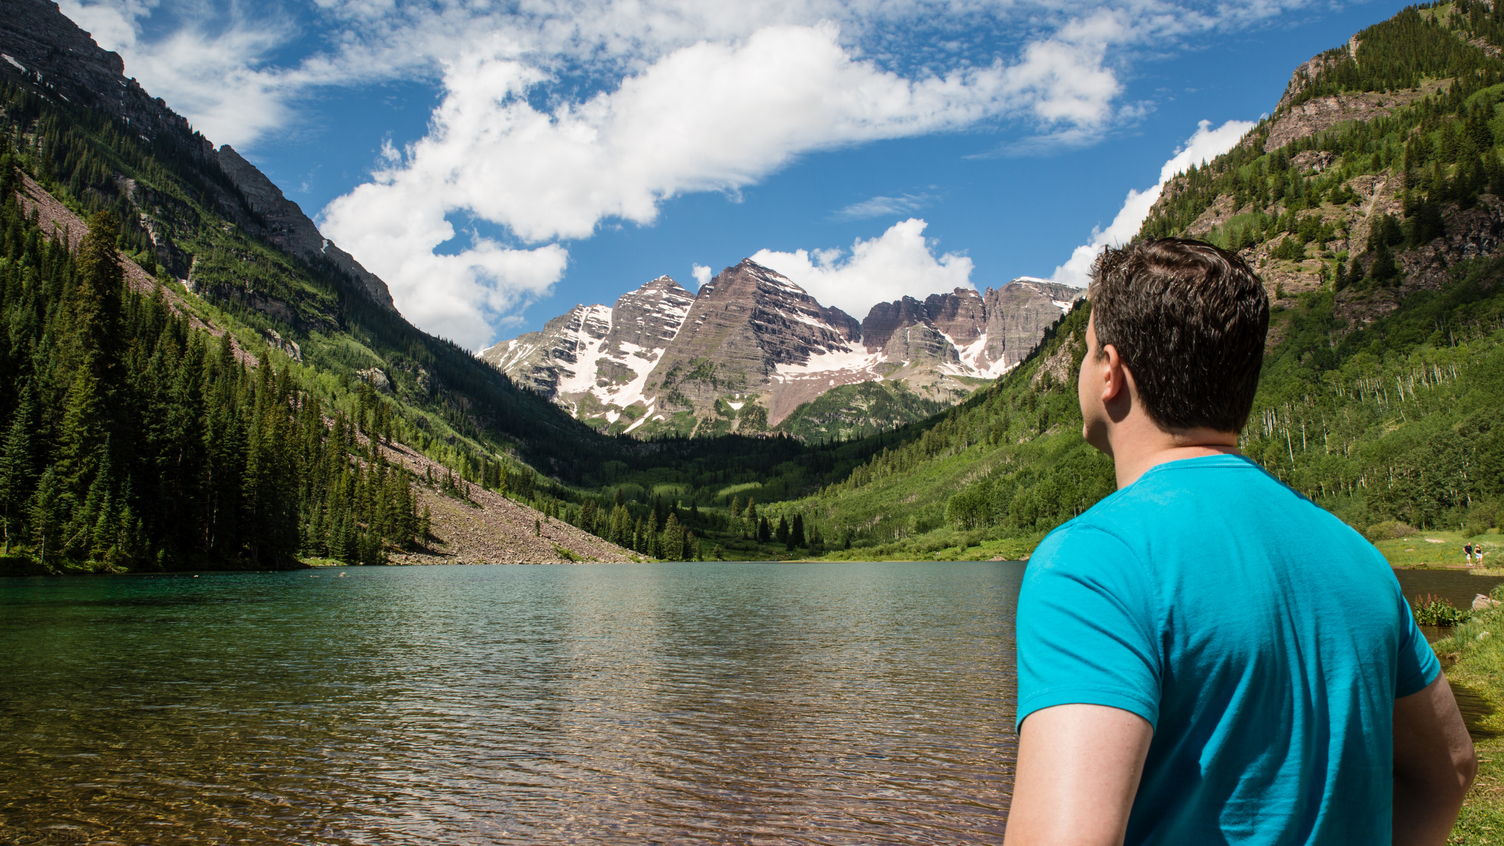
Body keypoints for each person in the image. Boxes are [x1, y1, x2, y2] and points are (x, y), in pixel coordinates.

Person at [1005, 238, 1475, 846]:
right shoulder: (1359, 556)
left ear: (1111, 373)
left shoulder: (1094, 562)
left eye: (1087, 350)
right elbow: (1452, 770)